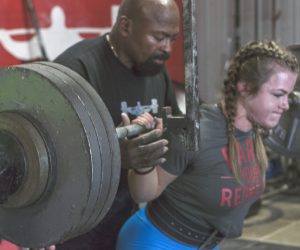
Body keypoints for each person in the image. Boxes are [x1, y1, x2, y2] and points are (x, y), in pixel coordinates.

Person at [116, 40, 299, 250]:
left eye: (289, 96)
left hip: (206, 244)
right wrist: (143, 161)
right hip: (155, 242)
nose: (285, 105)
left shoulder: (255, 131)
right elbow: (143, 194)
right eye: (278, 95)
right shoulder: (198, 131)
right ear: (245, 88)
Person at [52, 0, 181, 249]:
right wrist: (115, 157)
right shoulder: (76, 71)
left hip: (126, 215)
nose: (167, 49)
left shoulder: (155, 70)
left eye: (172, 39)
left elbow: (174, 128)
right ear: (125, 26)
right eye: (159, 37)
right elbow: (51, 160)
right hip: (75, 225)